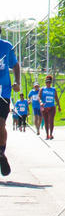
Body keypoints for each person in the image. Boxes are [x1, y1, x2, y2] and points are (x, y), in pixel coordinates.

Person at [0, 31, 20, 175]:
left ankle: (1, 153)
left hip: (3, 92)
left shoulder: (6, 46)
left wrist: (17, 82)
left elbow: (16, 66)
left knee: (0, 124)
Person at [40, 75, 61, 140]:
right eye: (47, 82)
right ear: (45, 83)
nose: (48, 83)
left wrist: (59, 106)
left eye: (49, 82)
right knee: (46, 121)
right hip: (45, 107)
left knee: (51, 120)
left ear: (51, 83)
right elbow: (39, 97)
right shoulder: (42, 89)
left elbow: (56, 98)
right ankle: (47, 135)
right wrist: (40, 102)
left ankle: (51, 134)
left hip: (52, 107)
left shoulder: (53, 89)